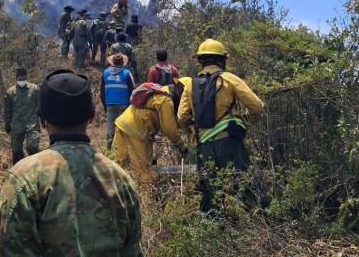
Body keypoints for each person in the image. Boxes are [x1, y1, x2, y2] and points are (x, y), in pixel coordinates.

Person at [0, 70, 143, 257]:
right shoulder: (120, 178)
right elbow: (132, 249)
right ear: (92, 117)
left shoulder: (24, 178)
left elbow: (6, 249)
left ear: (42, 121)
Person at [177, 39, 265, 212]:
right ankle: (257, 227)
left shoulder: (190, 85)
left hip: (204, 147)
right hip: (229, 143)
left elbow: (181, 118)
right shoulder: (228, 79)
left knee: (210, 195)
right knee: (245, 187)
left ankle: (211, 233)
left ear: (200, 60)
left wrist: (194, 129)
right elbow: (257, 106)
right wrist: (247, 122)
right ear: (222, 60)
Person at [112, 79, 190, 184]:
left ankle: (108, 194)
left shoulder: (162, 91)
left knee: (115, 165)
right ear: (182, 91)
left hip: (122, 123)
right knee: (145, 172)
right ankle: (146, 198)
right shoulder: (166, 101)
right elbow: (169, 129)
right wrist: (182, 147)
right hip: (136, 132)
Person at [4, 67, 40, 164]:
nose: (22, 81)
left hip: (32, 124)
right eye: (20, 79)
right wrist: (7, 125)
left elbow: (40, 105)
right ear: (16, 78)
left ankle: (37, 168)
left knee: (32, 148)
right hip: (16, 126)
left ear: (26, 77)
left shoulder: (35, 89)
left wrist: (44, 120)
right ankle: (20, 173)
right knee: (16, 152)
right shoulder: (10, 92)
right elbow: (7, 111)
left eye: (23, 79)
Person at [100, 53, 135, 150]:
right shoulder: (127, 73)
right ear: (122, 63)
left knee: (111, 126)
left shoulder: (105, 73)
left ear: (112, 62)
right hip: (124, 104)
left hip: (110, 104)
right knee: (124, 125)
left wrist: (104, 106)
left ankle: (109, 149)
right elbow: (132, 89)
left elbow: (102, 92)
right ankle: (124, 149)